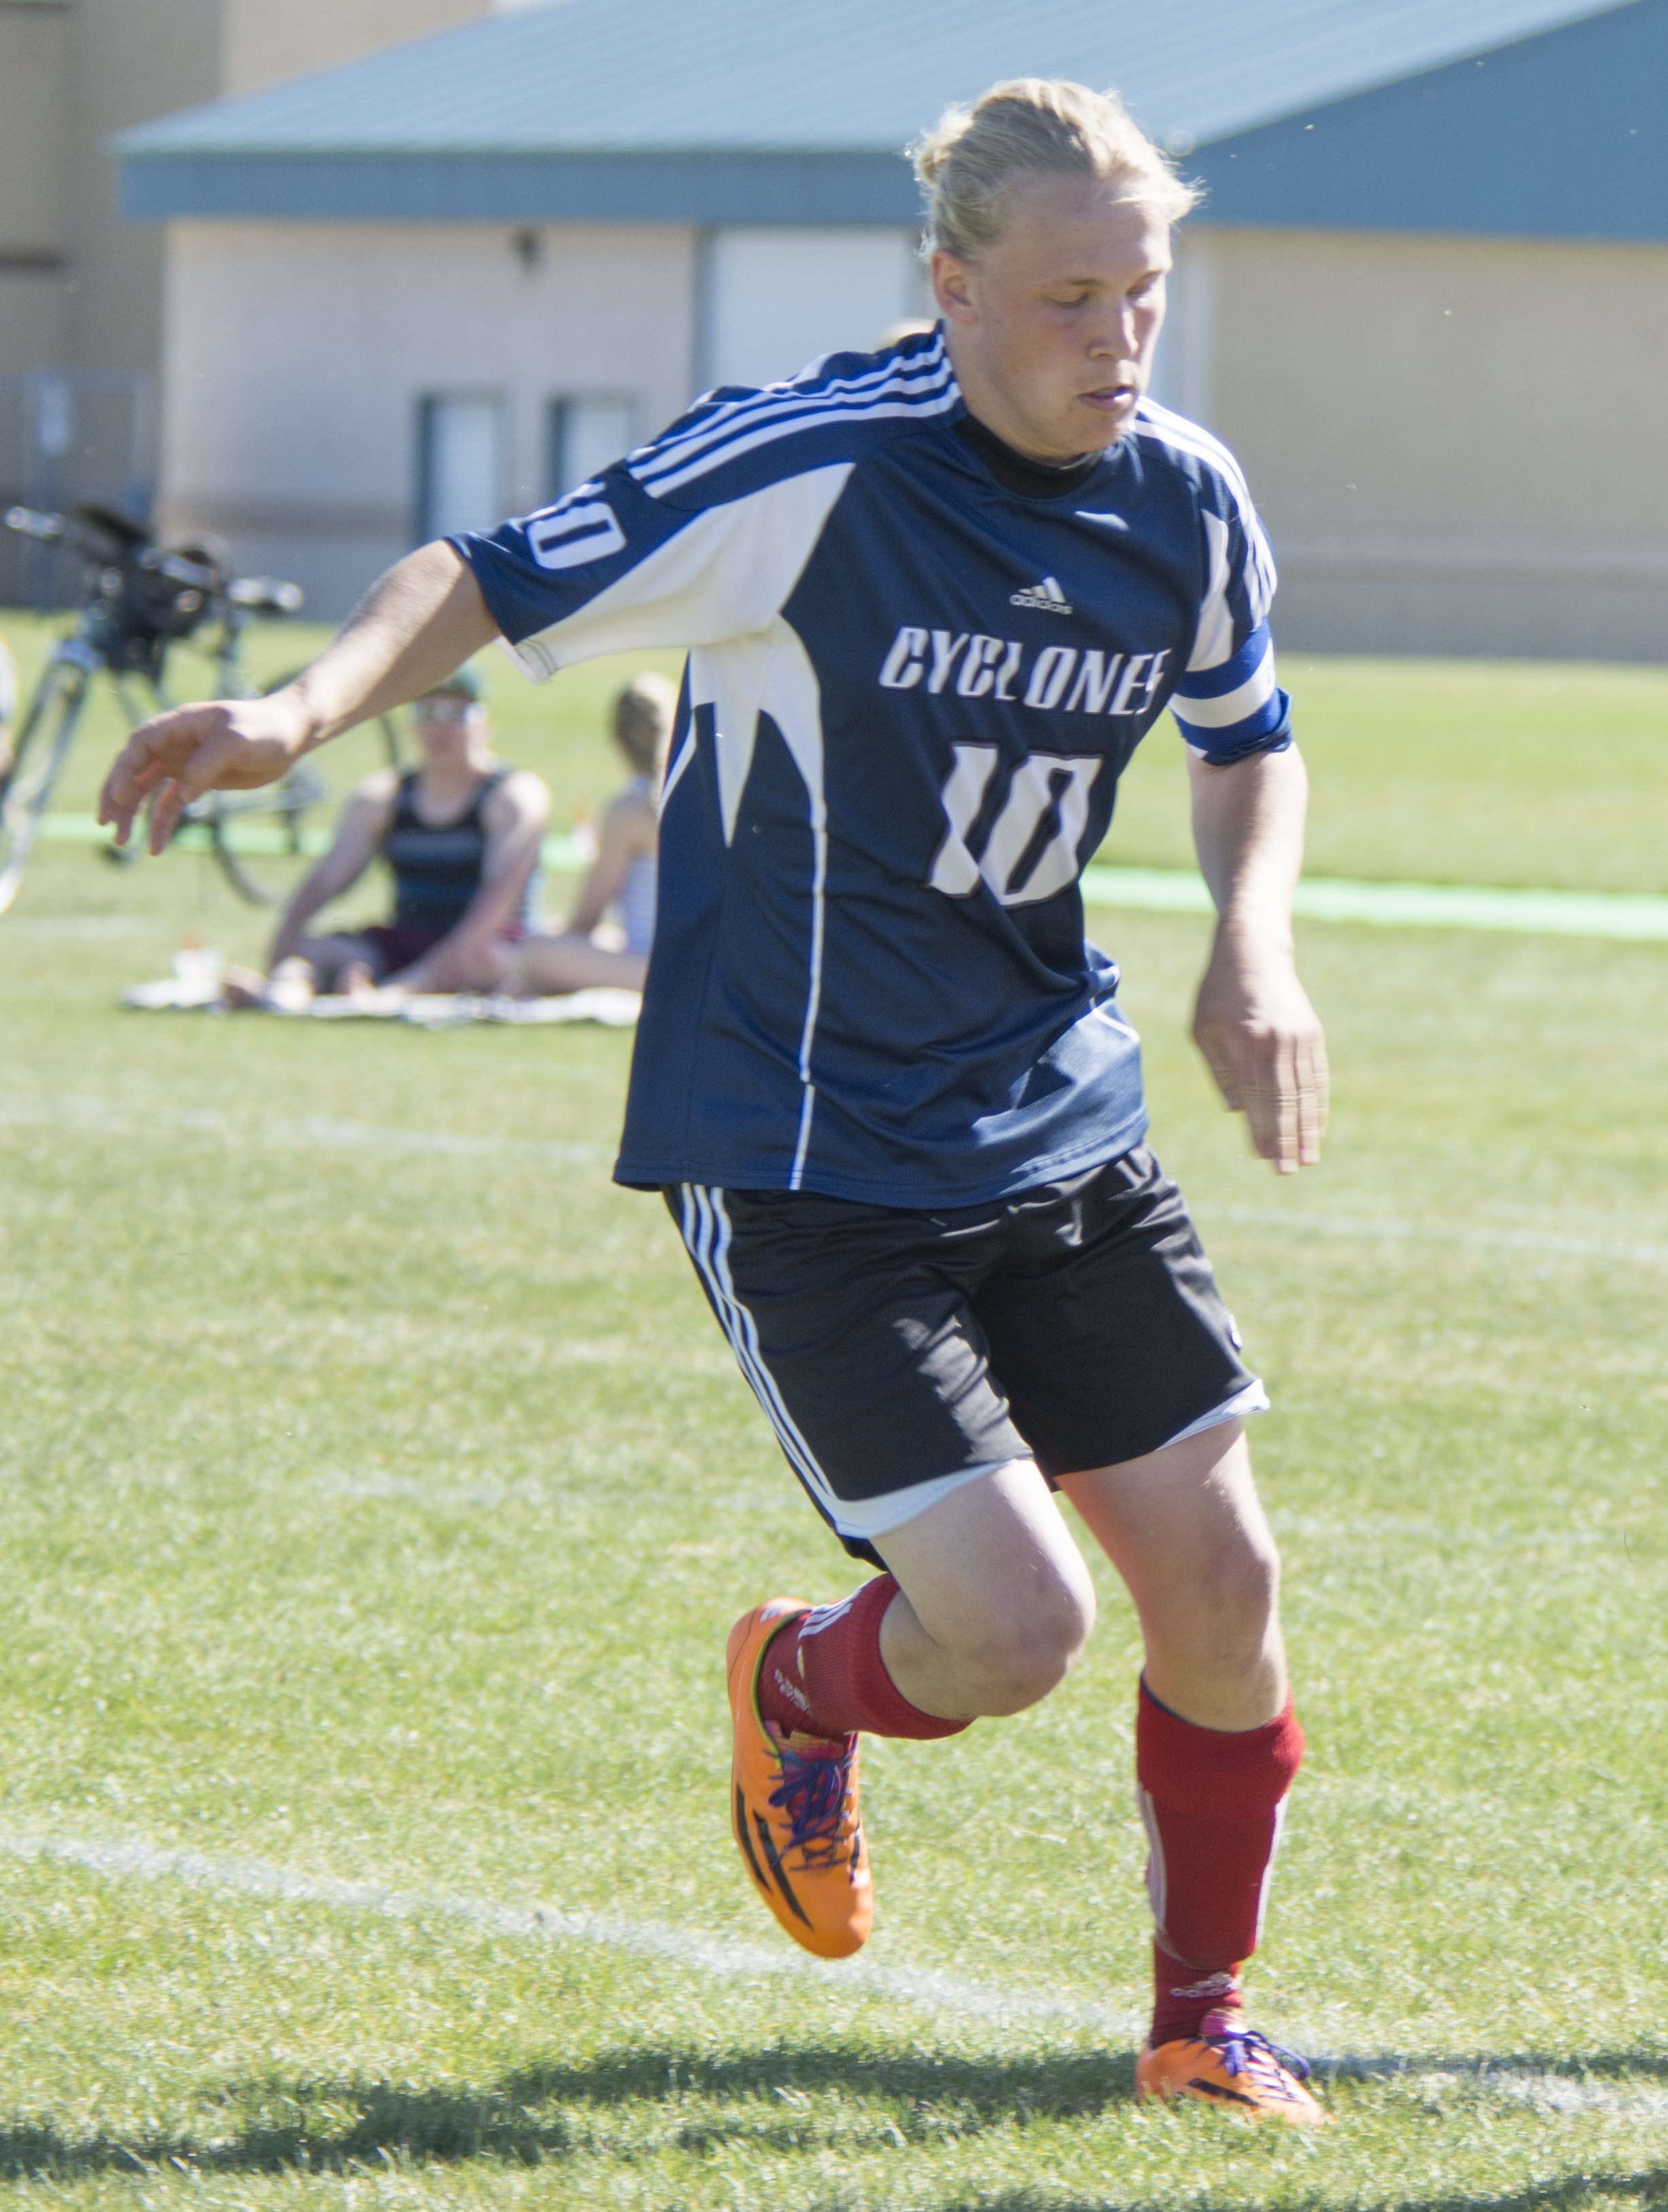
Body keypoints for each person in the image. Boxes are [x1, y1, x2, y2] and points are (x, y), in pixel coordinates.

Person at [101, 77, 1334, 2124]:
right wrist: (302, 709)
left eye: (1145, 291)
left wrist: (1252, 937)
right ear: (946, 290)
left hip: (1055, 1116)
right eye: (1063, 298)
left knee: (1224, 1589)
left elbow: (1245, 733)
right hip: (805, 1154)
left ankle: (1199, 2020)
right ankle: (801, 1677)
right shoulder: (816, 468)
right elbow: (490, 568)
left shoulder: (1185, 494)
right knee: (1014, 1631)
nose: (1118, 338)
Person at [230, 664, 547, 1003]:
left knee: (477, 958)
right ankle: (283, 995)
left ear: (485, 724)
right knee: (316, 953)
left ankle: (379, 999)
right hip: (409, 937)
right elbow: (329, 877)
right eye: (428, 712)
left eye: (457, 713)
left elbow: (500, 899)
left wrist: (437, 967)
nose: (441, 727)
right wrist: (288, 936)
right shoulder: (385, 797)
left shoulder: (511, 796)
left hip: (488, 943)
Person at [506, 670, 672, 996]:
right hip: (704, 961)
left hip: (657, 971)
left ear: (619, 740)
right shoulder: (703, 797)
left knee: (537, 952)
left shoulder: (628, 810)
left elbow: (587, 919)